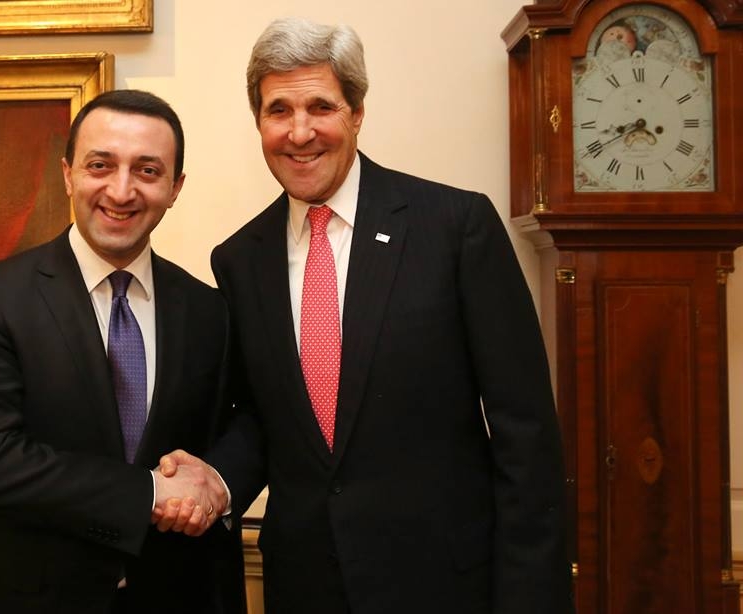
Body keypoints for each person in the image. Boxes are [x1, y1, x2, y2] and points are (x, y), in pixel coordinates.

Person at [158, 16, 573, 614]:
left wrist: (531, 598)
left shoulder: (454, 228)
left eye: (321, 107)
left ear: (356, 112)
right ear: (258, 122)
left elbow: (525, 434)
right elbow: (263, 419)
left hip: (445, 586)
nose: (300, 132)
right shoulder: (239, 260)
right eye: (278, 110)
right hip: (306, 588)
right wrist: (214, 481)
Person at [0, 90, 244, 613]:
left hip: (176, 596)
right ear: (68, 175)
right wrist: (149, 492)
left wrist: (216, 482)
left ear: (175, 188)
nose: (121, 191)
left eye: (147, 171)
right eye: (100, 165)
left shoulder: (209, 309)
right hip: (28, 601)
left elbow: (246, 424)